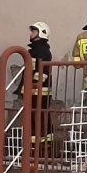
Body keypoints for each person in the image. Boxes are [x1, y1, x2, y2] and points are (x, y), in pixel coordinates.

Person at [24, 21, 56, 150]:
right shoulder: (35, 50)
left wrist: (34, 84)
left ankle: (42, 145)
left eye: (34, 31)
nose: (31, 34)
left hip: (39, 91)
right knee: (36, 116)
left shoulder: (42, 51)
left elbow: (43, 71)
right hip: (34, 90)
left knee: (40, 117)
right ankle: (37, 143)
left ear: (41, 33)